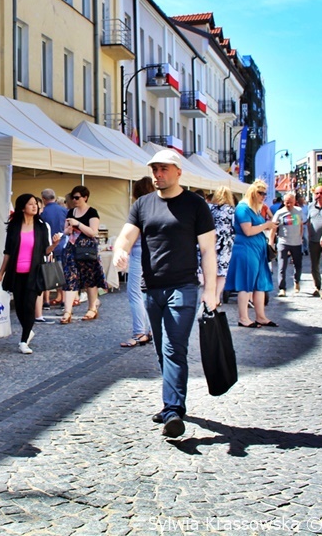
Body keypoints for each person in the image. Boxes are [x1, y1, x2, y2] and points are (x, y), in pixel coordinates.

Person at [113, 150, 217, 439]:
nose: (157, 174)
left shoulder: (195, 205)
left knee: (174, 348)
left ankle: (172, 409)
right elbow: (126, 235)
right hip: (152, 288)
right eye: (154, 169)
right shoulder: (143, 204)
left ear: (178, 171)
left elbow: (208, 250)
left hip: (183, 287)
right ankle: (172, 401)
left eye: (163, 169)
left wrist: (211, 290)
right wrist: (119, 252)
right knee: (162, 350)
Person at [0, 194, 61, 354]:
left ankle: (23, 341)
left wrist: (55, 244)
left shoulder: (41, 226)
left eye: (36, 204)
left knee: (29, 306)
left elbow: (45, 250)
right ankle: (28, 330)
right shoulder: (14, 226)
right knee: (20, 307)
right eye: (30, 204)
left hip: (34, 273)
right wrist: (0, 272)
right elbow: (8, 252)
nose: (34, 206)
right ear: (23, 207)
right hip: (16, 272)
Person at [226, 180, 278, 328]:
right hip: (246, 250)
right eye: (260, 193)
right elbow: (248, 231)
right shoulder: (243, 208)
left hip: (257, 250)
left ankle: (261, 316)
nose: (263, 196)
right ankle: (243, 318)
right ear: (253, 193)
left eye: (265, 194)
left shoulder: (254, 209)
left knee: (260, 284)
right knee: (246, 284)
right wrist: (266, 225)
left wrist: (269, 228)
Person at [60, 185, 107, 323]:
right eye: (72, 197)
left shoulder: (92, 212)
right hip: (72, 248)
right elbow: (65, 230)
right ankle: (67, 311)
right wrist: (68, 230)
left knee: (90, 278)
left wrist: (78, 224)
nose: (74, 200)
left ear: (85, 197)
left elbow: (93, 232)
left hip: (87, 249)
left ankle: (92, 308)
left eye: (77, 197)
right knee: (70, 278)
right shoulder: (70, 212)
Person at [121, 177, 155, 348]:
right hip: (153, 253)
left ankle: (139, 332)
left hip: (139, 252)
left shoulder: (140, 208)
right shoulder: (157, 206)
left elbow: (131, 234)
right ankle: (150, 331)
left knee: (135, 292)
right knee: (148, 293)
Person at [271, 192, 305, 297]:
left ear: (294, 202)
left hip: (296, 242)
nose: (288, 204)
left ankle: (297, 281)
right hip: (283, 242)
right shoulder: (279, 213)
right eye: (286, 202)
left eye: (290, 202)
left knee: (298, 265)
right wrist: (271, 242)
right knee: (282, 266)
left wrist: (301, 237)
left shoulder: (299, 211)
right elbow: (274, 228)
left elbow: (301, 226)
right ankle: (282, 288)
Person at [208, 186, 236, 308]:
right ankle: (216, 297)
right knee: (222, 272)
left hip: (212, 240)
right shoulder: (231, 210)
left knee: (211, 270)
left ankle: (210, 294)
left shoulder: (210, 208)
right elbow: (235, 226)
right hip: (226, 243)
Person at [40, 189, 67, 309]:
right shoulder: (63, 210)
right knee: (62, 273)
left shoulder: (43, 213)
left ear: (43, 199)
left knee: (47, 273)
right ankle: (64, 300)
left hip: (48, 246)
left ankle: (46, 300)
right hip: (63, 244)